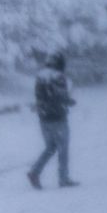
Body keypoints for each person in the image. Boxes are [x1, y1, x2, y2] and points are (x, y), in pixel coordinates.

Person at [27, 52, 77, 189]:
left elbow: (41, 97)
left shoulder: (40, 76)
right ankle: (63, 178)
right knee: (62, 149)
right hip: (58, 117)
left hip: (44, 118)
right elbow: (59, 96)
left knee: (50, 147)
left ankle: (35, 172)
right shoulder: (58, 77)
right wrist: (69, 101)